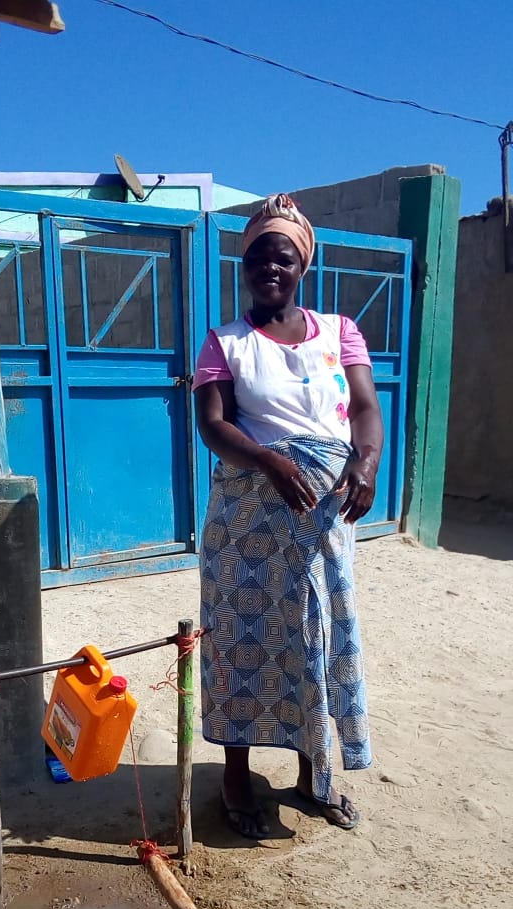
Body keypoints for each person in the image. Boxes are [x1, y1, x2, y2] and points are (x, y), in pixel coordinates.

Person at [193, 193, 384, 839]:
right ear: (244, 266)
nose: (270, 267)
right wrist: (271, 463)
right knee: (242, 642)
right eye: (257, 258)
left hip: (323, 522)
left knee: (316, 640)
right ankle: (235, 776)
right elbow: (213, 426)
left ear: (302, 265)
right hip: (248, 524)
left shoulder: (340, 330)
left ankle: (313, 773)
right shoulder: (225, 343)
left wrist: (366, 463)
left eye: (283, 258)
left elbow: (363, 408)